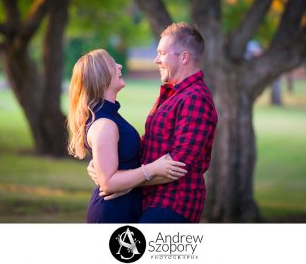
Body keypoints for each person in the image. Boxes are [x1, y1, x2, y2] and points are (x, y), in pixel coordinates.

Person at [89, 22, 218, 223]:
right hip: (151, 202)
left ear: (184, 57)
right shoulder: (172, 94)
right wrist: (104, 163)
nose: (156, 60)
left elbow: (177, 165)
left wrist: (123, 182)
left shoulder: (195, 98)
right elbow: (148, 147)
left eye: (162, 53)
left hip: (174, 205)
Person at [67, 48, 187, 223]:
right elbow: (108, 183)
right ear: (101, 79)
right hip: (112, 212)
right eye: (112, 63)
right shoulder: (105, 125)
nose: (119, 65)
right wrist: (153, 169)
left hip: (125, 207)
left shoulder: (109, 116)